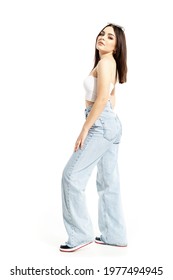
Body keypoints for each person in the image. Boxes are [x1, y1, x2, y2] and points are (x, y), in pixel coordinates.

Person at [59, 23, 128, 252]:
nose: (103, 38)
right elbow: (111, 97)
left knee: (71, 176)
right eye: (102, 33)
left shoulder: (106, 62)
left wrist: (85, 128)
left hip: (100, 124)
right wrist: (108, 122)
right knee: (108, 182)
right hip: (110, 123)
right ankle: (114, 235)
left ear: (116, 47)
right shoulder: (111, 64)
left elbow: (101, 100)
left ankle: (81, 235)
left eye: (110, 37)